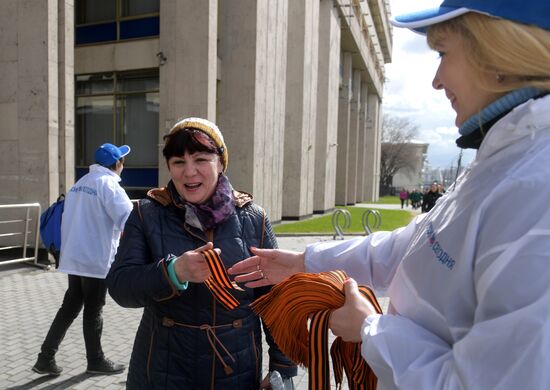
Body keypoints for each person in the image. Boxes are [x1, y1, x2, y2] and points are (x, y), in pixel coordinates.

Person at [229, 1, 550, 388]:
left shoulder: (535, 192)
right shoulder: (504, 159)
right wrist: (305, 261)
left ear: (500, 53)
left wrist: (369, 329)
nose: (437, 79)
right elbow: (417, 243)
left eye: (444, 53)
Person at [106, 117, 297, 389]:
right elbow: (120, 287)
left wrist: (283, 366)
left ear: (220, 162)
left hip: (236, 367)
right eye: (178, 162)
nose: (189, 172)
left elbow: (277, 299)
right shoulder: (146, 214)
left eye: (201, 159)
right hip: (162, 366)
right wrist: (173, 272)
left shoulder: (254, 217)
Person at [33, 143, 133, 376]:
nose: (123, 165)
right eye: (122, 161)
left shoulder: (80, 184)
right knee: (93, 309)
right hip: (96, 259)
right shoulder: (109, 185)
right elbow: (129, 221)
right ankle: (95, 361)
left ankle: (45, 358)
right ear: (116, 164)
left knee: (69, 307)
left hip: (74, 258)